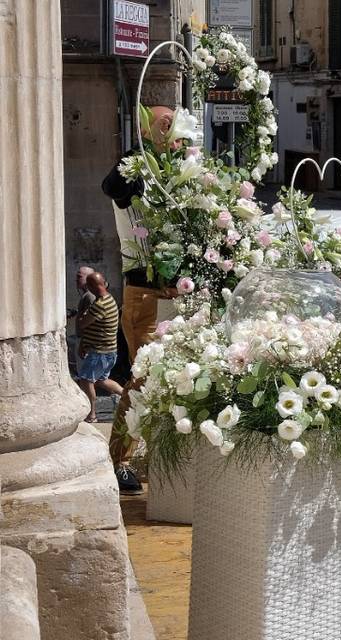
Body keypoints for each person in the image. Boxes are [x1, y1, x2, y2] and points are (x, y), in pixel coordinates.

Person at [101, 105, 181, 494]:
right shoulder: (133, 175)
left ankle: (163, 456)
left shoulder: (172, 177)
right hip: (143, 294)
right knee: (143, 381)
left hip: (174, 298)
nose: (175, 133)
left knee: (180, 380)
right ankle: (118, 460)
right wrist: (144, 144)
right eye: (166, 125)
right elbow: (111, 185)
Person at [75, 272, 124, 423]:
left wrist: (80, 314)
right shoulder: (110, 299)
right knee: (102, 380)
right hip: (108, 352)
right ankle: (129, 396)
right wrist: (84, 343)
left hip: (99, 353)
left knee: (86, 380)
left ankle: (92, 414)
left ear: (90, 286)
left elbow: (83, 323)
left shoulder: (100, 305)